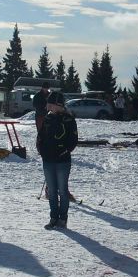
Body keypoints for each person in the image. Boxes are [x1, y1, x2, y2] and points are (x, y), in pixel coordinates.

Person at [37, 91, 78, 229]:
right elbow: (40, 136)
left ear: (58, 105)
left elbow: (73, 141)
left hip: (62, 161)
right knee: (52, 191)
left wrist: (64, 151)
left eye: (50, 104)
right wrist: (41, 149)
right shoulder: (48, 118)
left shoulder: (69, 119)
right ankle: (53, 217)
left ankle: (63, 218)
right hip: (47, 160)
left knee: (62, 190)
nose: (48, 107)